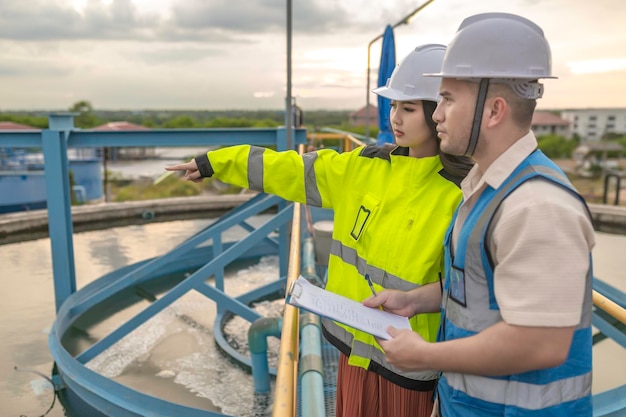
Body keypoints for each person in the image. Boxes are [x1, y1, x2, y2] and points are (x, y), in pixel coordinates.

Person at [165, 44, 473, 417]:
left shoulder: (461, 190)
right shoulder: (362, 166)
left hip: (407, 361)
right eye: (392, 107)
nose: (396, 118)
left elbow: (471, 283)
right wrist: (216, 162)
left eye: (408, 108)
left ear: (438, 112)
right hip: (349, 345)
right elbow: (290, 169)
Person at [364, 13, 595, 417]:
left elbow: (540, 342)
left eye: (448, 99)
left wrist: (426, 354)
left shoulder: (536, 205)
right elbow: (482, 288)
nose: (437, 115)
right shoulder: (486, 185)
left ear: (494, 111)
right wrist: (415, 300)